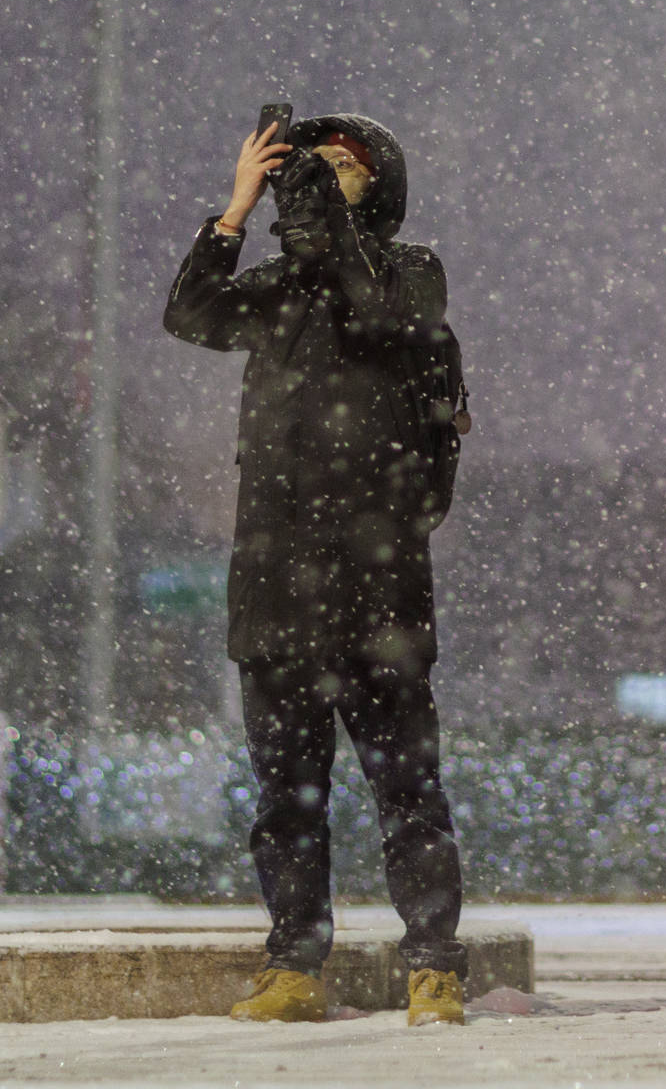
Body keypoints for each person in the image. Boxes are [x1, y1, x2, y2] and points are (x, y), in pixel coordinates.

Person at [164, 112, 472, 1026]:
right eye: (313, 165)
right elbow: (189, 315)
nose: (323, 177)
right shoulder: (279, 292)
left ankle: (434, 969)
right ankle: (294, 965)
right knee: (285, 801)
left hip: (379, 595)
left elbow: (375, 301)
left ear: (380, 186)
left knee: (407, 792)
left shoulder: (410, 275)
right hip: (275, 591)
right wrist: (235, 211)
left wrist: (318, 221)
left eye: (341, 166)